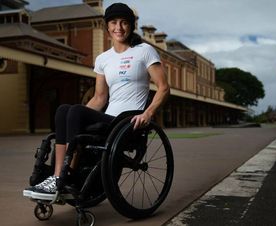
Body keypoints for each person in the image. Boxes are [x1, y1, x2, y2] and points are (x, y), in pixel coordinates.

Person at [23, 2, 170, 200]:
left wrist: (148, 113)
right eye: (114, 22)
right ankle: (57, 175)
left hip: (127, 121)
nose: (119, 27)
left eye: (124, 22)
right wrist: (73, 117)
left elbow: (163, 87)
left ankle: (67, 175)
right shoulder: (103, 59)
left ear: (131, 26)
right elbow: (100, 97)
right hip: (108, 117)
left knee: (74, 111)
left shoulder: (144, 51)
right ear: (107, 26)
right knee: (64, 110)